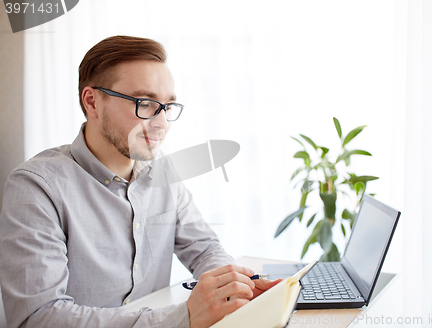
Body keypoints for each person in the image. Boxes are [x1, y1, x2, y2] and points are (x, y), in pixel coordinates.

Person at [0, 35, 280, 328]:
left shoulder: (164, 173)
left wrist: (236, 285)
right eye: (145, 103)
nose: (161, 123)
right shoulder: (36, 188)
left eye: (167, 107)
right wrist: (184, 316)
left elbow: (204, 248)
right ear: (92, 101)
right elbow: (38, 318)